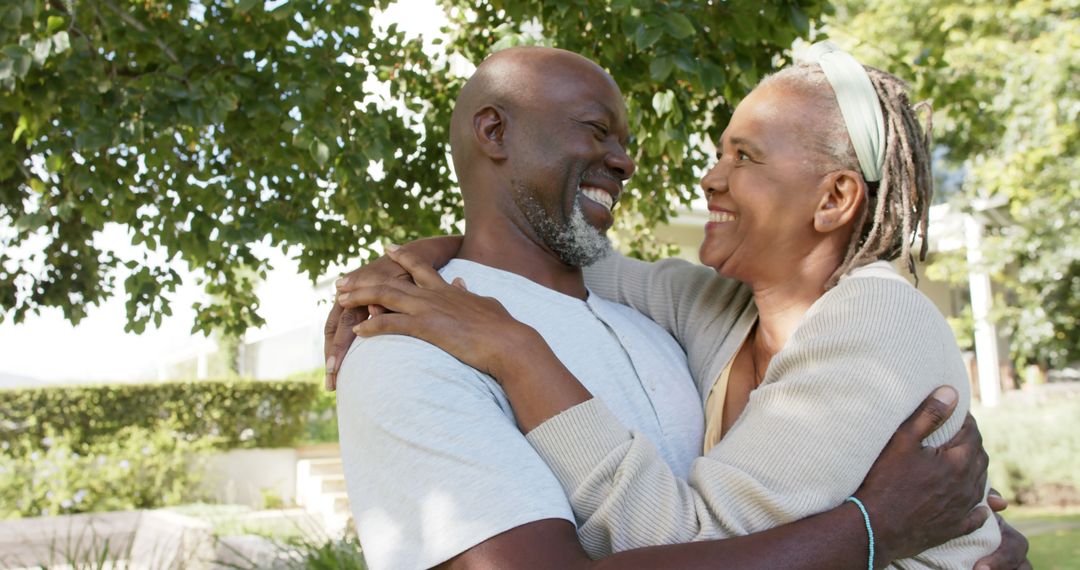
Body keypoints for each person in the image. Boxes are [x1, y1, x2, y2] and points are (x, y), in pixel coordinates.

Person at [328, 46, 1026, 570]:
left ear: (834, 199)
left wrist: (518, 353)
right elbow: (554, 247)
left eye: (745, 156)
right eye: (721, 151)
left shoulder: (877, 318)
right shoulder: (714, 311)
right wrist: (410, 265)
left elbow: (689, 545)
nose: (709, 177)